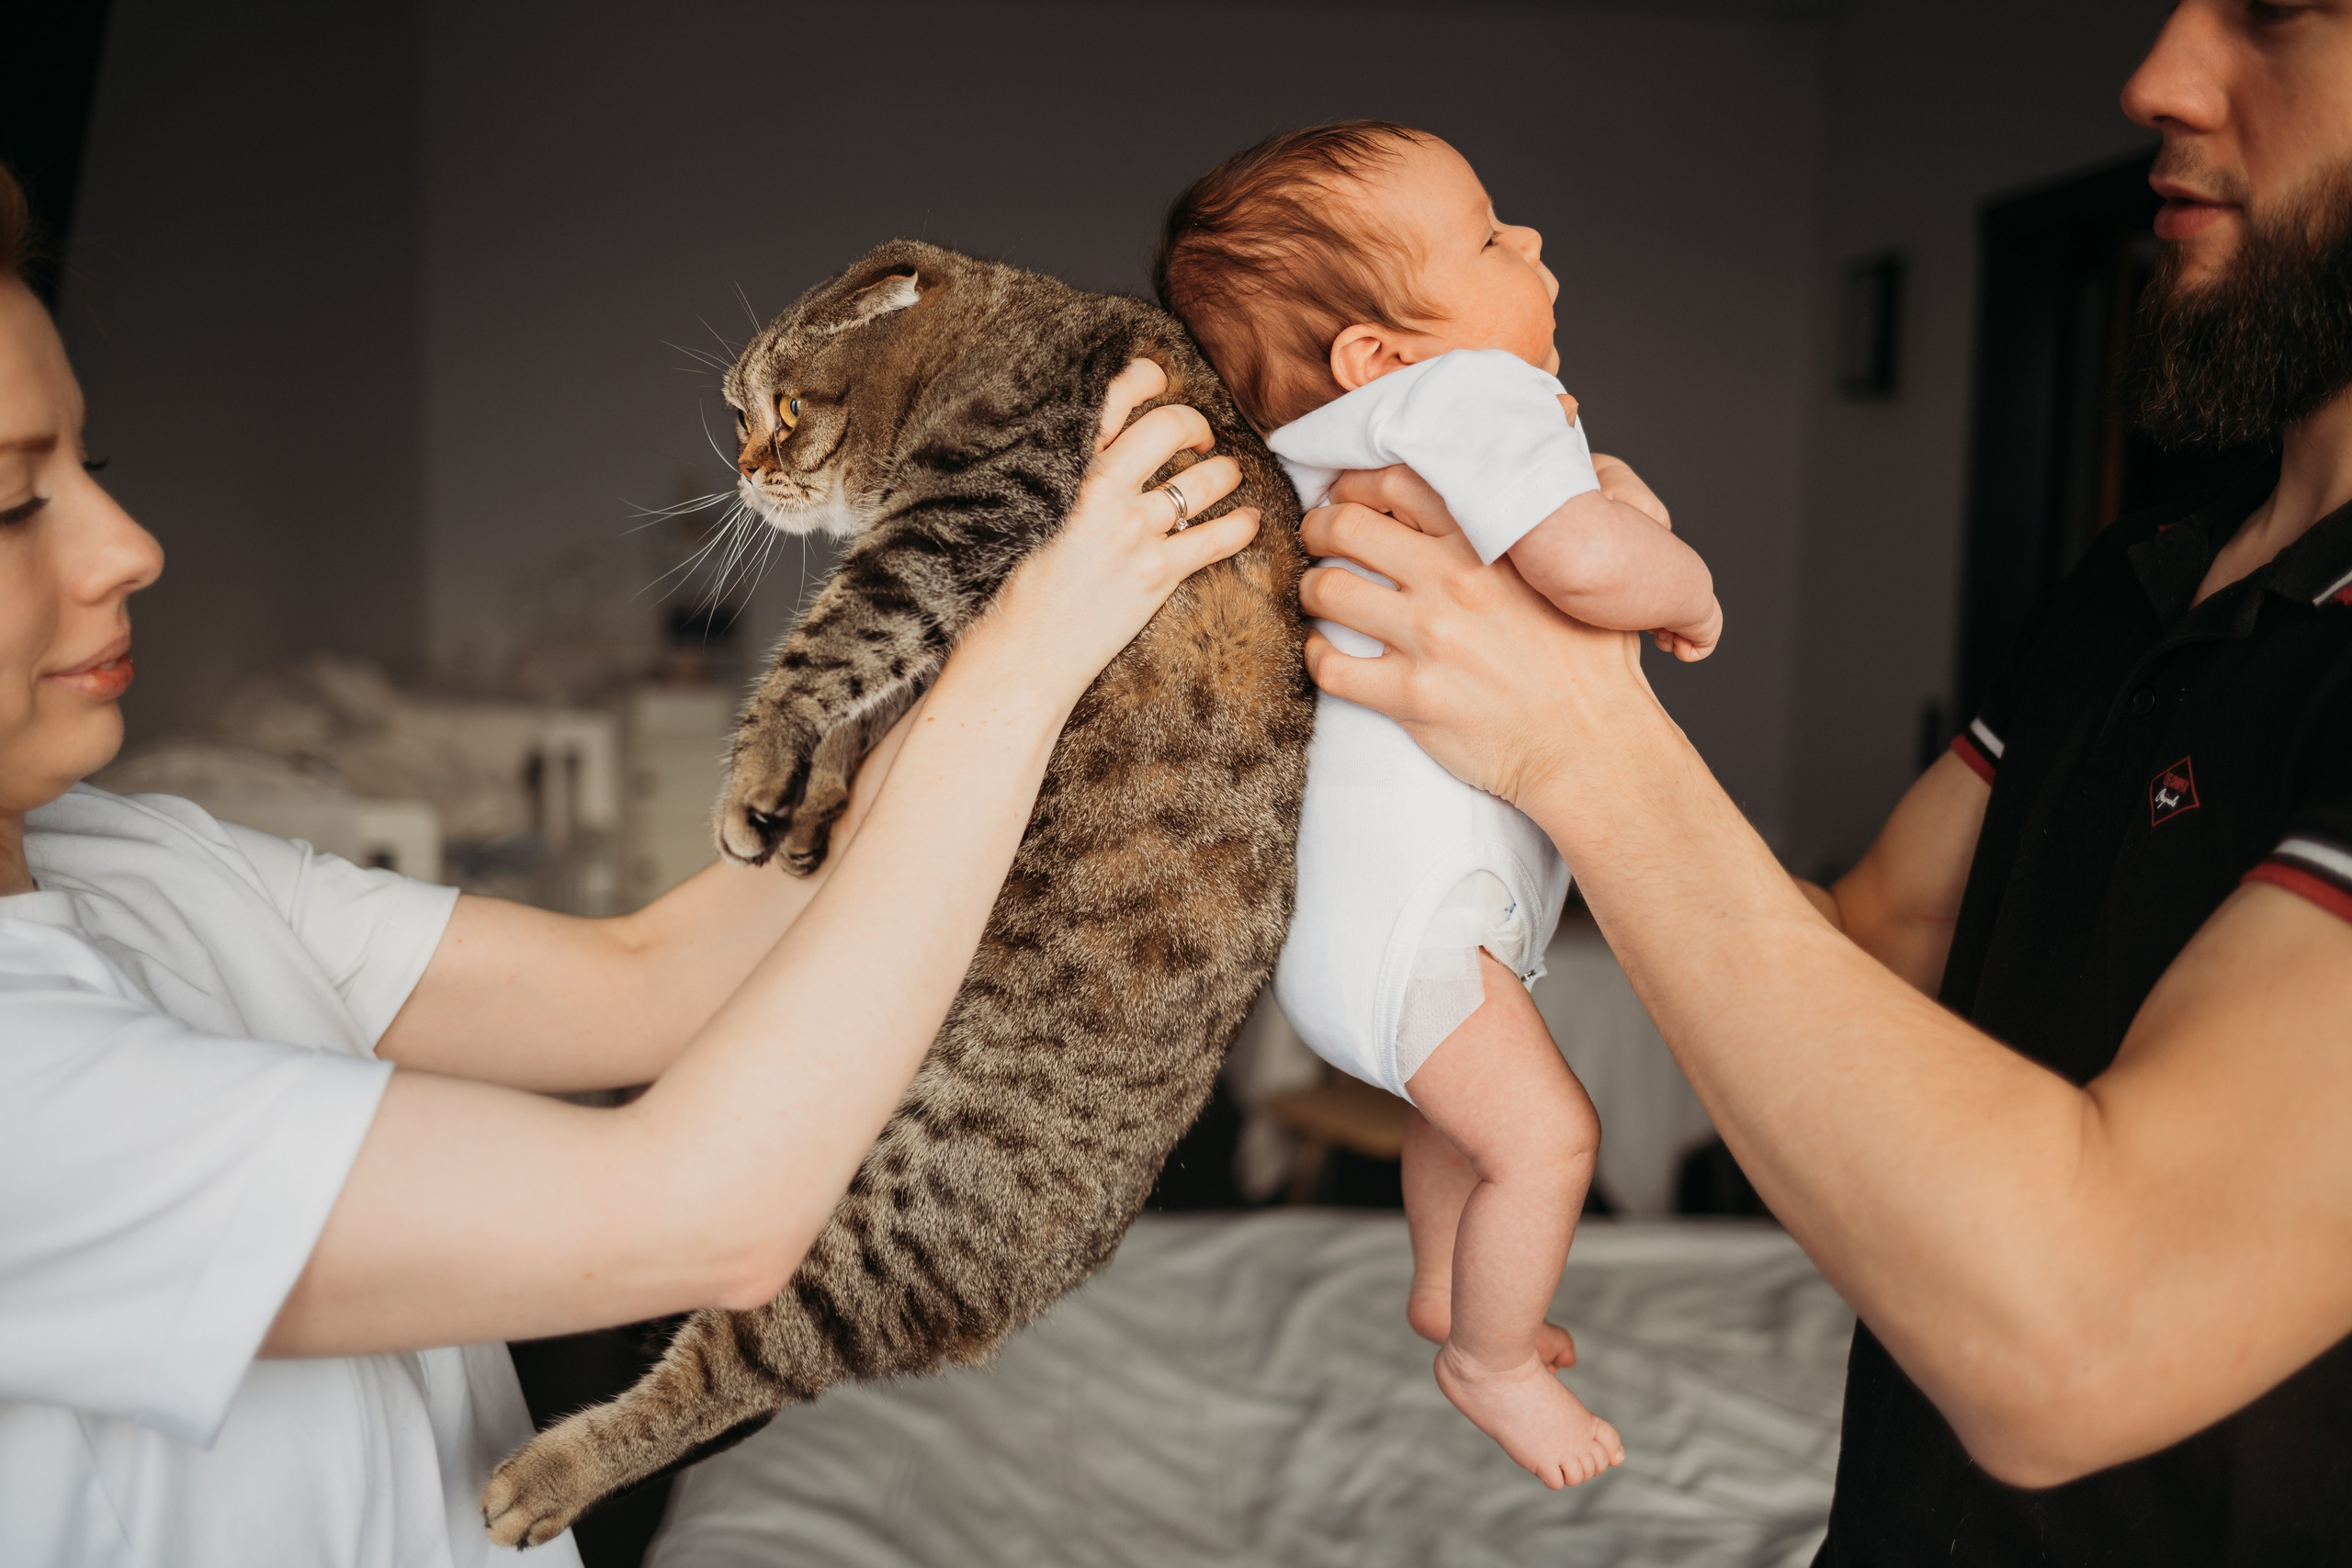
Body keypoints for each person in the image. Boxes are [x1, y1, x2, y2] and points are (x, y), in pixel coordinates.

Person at [0, 157, 1261, 1567]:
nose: (133, 545)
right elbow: (700, 1213)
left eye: (87, 469)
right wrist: (1024, 659)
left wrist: (1003, 642)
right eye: (8, 504)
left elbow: (645, 979)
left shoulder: (141, 863)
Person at [1288, 3, 2352, 1561]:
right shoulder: (2146, 573)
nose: (2153, 77)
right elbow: (1856, 949)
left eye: (2279, 8)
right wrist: (1451, 814)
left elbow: (2084, 1334)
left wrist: (1585, 737)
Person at [1156, 122, 1713, 1488]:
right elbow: (1584, 561)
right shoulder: (1464, 399)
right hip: (1417, 916)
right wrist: (1684, 575)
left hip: (1367, 929)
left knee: (1464, 1120)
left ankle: (1440, 1286)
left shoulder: (1322, 452)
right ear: (1380, 356)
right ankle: (1491, 1356)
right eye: (1486, 235)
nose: (1529, 246)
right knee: (1551, 1135)